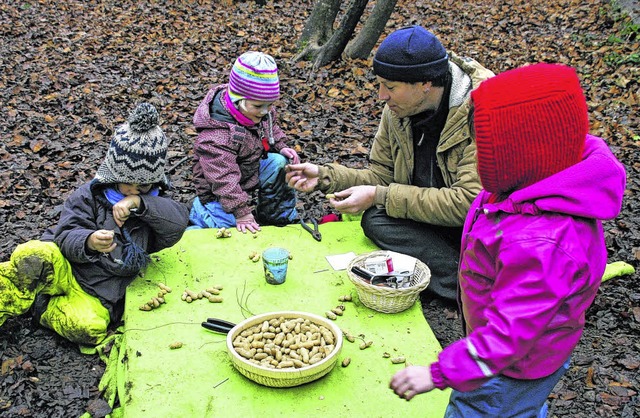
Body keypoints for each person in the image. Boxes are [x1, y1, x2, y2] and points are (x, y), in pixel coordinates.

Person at [389, 63, 626, 417]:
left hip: (511, 367)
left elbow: (509, 333)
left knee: (481, 410)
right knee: (520, 407)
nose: (476, 160)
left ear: (520, 154)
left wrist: (439, 373)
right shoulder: (528, 185)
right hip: (516, 348)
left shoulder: (543, 244)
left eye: (483, 149)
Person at [285, 26, 494, 301]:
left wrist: (379, 195)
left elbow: (469, 204)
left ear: (425, 84)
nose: (382, 95)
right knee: (375, 220)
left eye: (391, 87)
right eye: (380, 84)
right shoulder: (397, 111)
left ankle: (470, 289)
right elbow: (382, 175)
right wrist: (325, 176)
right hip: (428, 217)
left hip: (479, 226)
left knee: (383, 207)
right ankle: (453, 275)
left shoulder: (481, 112)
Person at [0, 103, 190, 346]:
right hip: (65, 264)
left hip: (99, 289)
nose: (132, 191)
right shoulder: (88, 195)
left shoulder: (154, 206)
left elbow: (177, 223)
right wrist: (89, 242)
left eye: (142, 187)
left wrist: (141, 204)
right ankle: (15, 292)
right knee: (32, 255)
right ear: (113, 176)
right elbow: (66, 234)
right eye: (126, 185)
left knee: (88, 329)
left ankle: (44, 307)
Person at [190, 51, 300, 234]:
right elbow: (223, 178)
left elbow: (271, 127)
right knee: (225, 227)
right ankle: (199, 219)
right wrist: (241, 212)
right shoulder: (217, 136)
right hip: (218, 190)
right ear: (236, 99)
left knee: (280, 164)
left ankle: (278, 218)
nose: (265, 111)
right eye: (258, 106)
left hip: (248, 169)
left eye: (270, 104)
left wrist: (281, 146)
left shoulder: (258, 110)